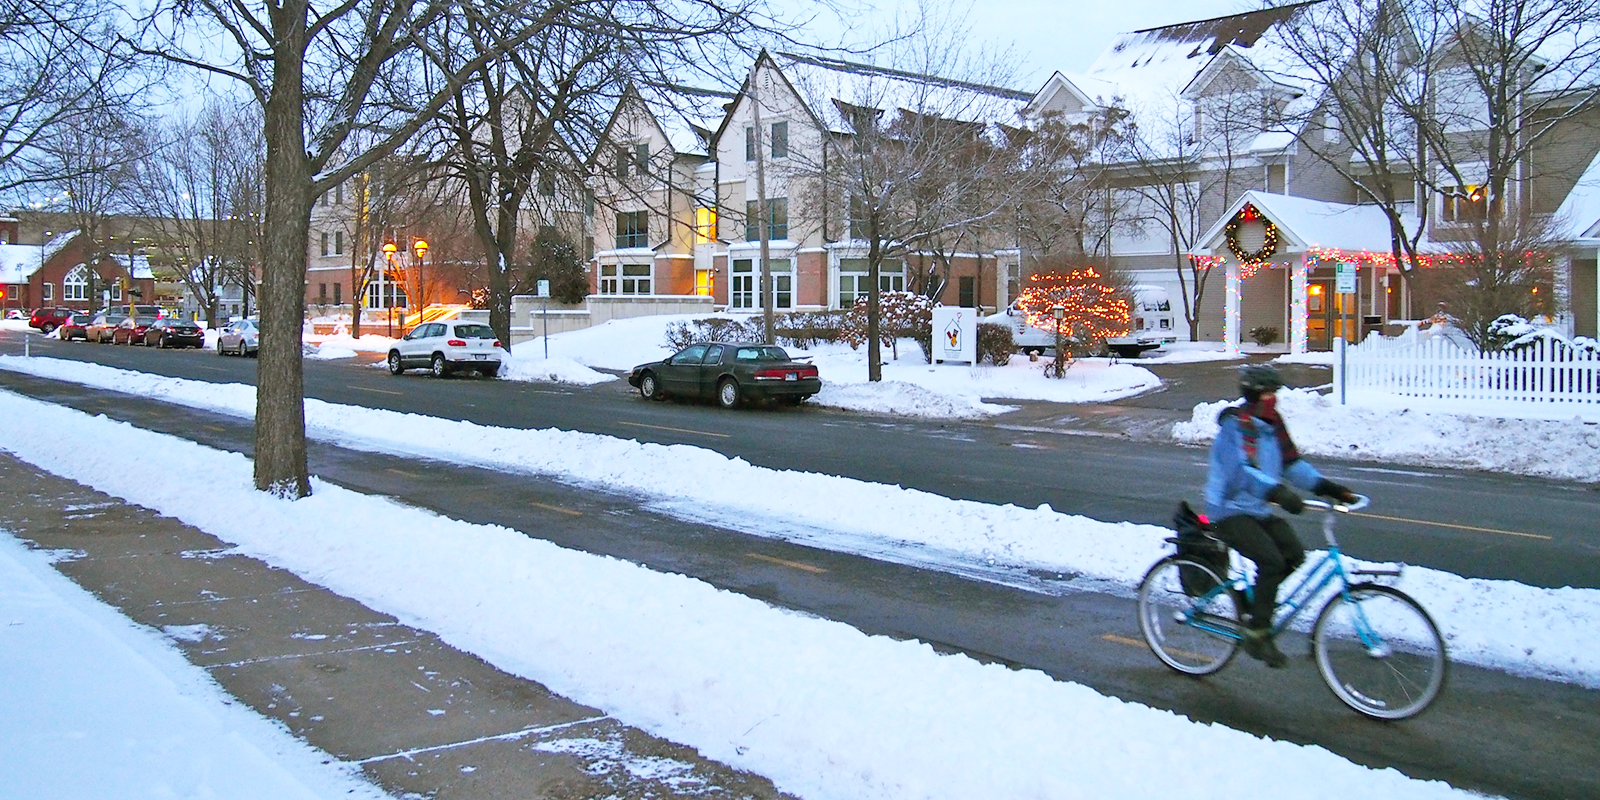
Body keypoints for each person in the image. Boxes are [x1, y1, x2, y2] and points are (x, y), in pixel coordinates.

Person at [1204, 364, 1356, 667]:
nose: (1274, 400)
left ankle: (1255, 606)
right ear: (1255, 396)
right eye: (1269, 394)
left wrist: (1326, 487)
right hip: (1228, 509)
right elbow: (1240, 473)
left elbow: (1292, 465)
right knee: (1271, 561)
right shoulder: (1236, 428)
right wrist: (1277, 493)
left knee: (1293, 554)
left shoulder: (1273, 425)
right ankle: (1258, 635)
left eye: (1276, 394)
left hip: (1257, 507)